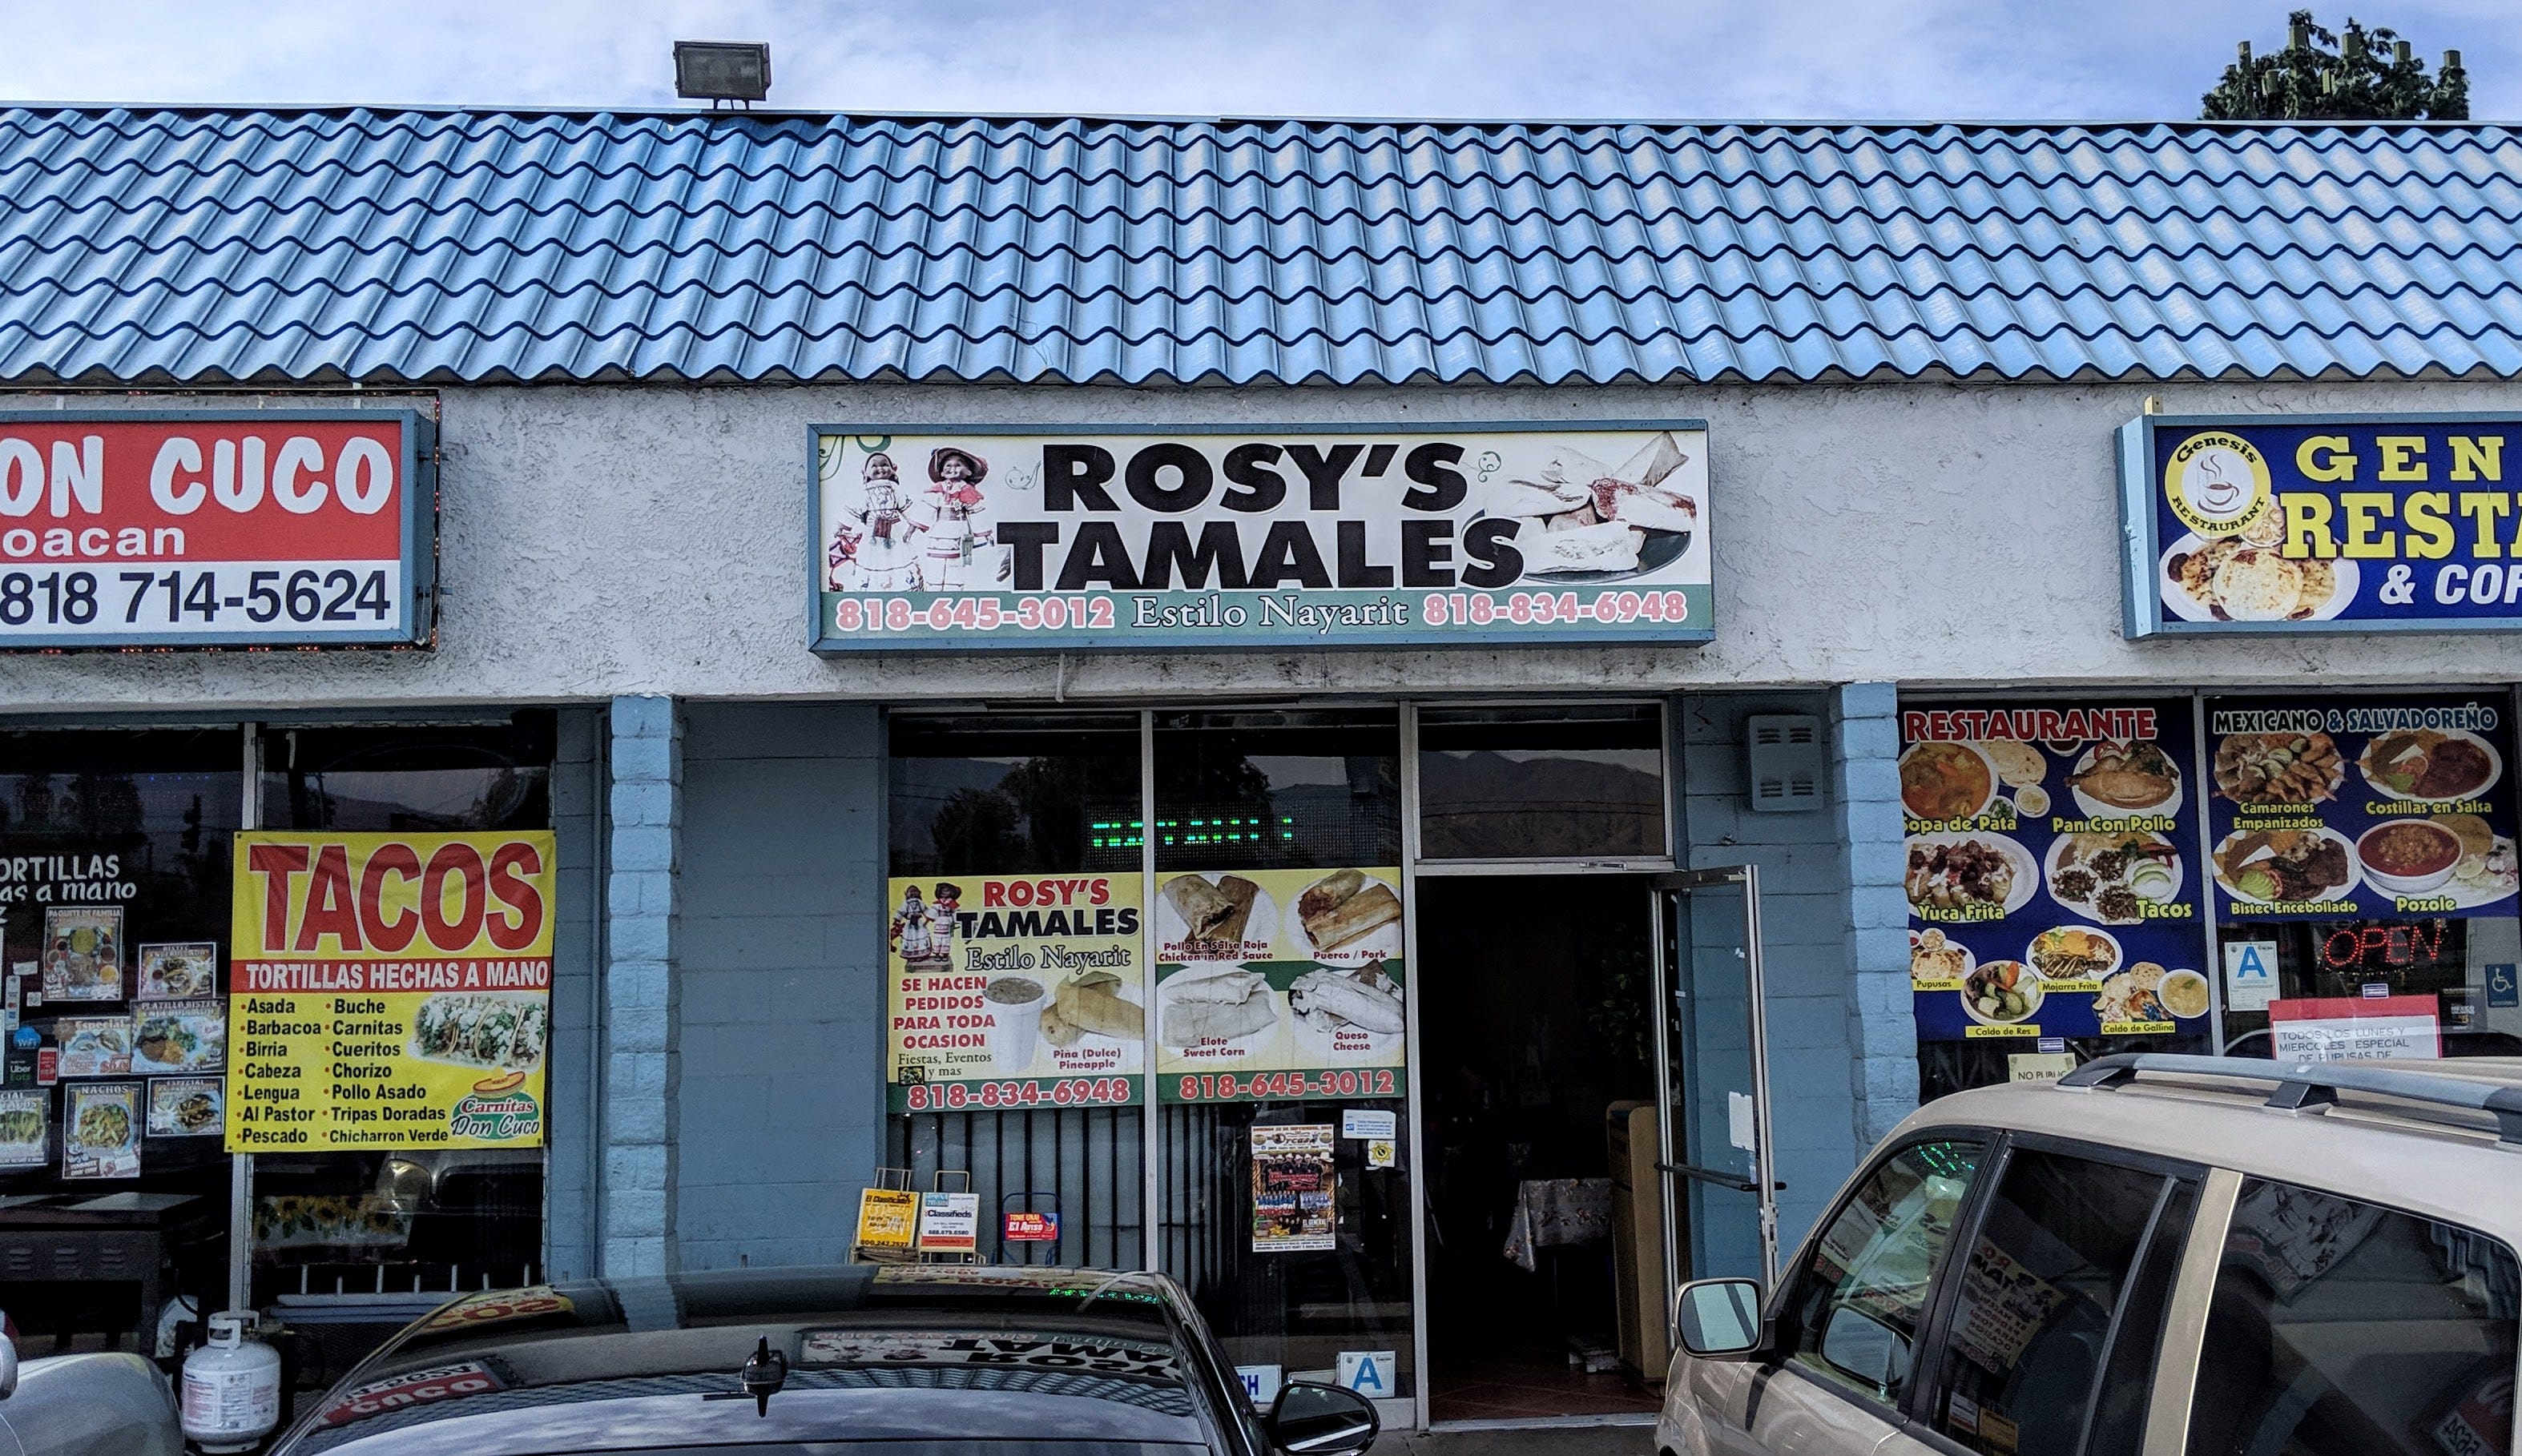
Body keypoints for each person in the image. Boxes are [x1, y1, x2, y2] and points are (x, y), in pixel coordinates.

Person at [916, 447, 1005, 590]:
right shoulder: (937, 490)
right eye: (948, 466)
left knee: (957, 563)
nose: (952, 469)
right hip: (939, 532)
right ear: (942, 472)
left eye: (958, 465)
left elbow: (976, 512)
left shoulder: (968, 491)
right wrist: (913, 527)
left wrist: (985, 534)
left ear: (968, 472)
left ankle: (954, 589)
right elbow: (927, 507)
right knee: (936, 562)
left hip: (959, 531)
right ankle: (934, 588)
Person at [835, 452, 925, 592]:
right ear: (865, 472)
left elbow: (909, 508)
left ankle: (900, 587)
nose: (880, 469)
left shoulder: (895, 489)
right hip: (872, 533)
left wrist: (911, 529)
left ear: (893, 469)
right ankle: (873, 588)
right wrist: (840, 526)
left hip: (894, 533)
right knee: (872, 557)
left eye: (884, 465)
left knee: (897, 556)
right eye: (874, 466)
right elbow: (854, 508)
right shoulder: (865, 491)